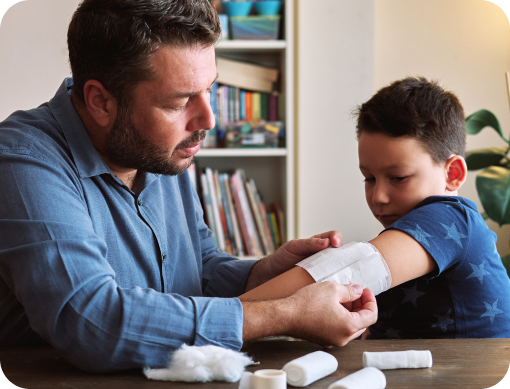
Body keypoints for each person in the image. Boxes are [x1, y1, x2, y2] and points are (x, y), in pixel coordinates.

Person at [0, 0, 377, 373]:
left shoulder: (157, 149)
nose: (208, 119)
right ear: (100, 102)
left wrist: (261, 273)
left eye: (209, 89)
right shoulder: (22, 161)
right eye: (179, 102)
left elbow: (197, 270)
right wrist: (285, 315)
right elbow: (91, 321)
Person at [241, 77, 510, 339]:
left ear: (453, 174)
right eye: (369, 178)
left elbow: (349, 269)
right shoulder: (409, 234)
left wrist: (218, 318)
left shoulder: (451, 217)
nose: (378, 196)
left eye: (398, 178)